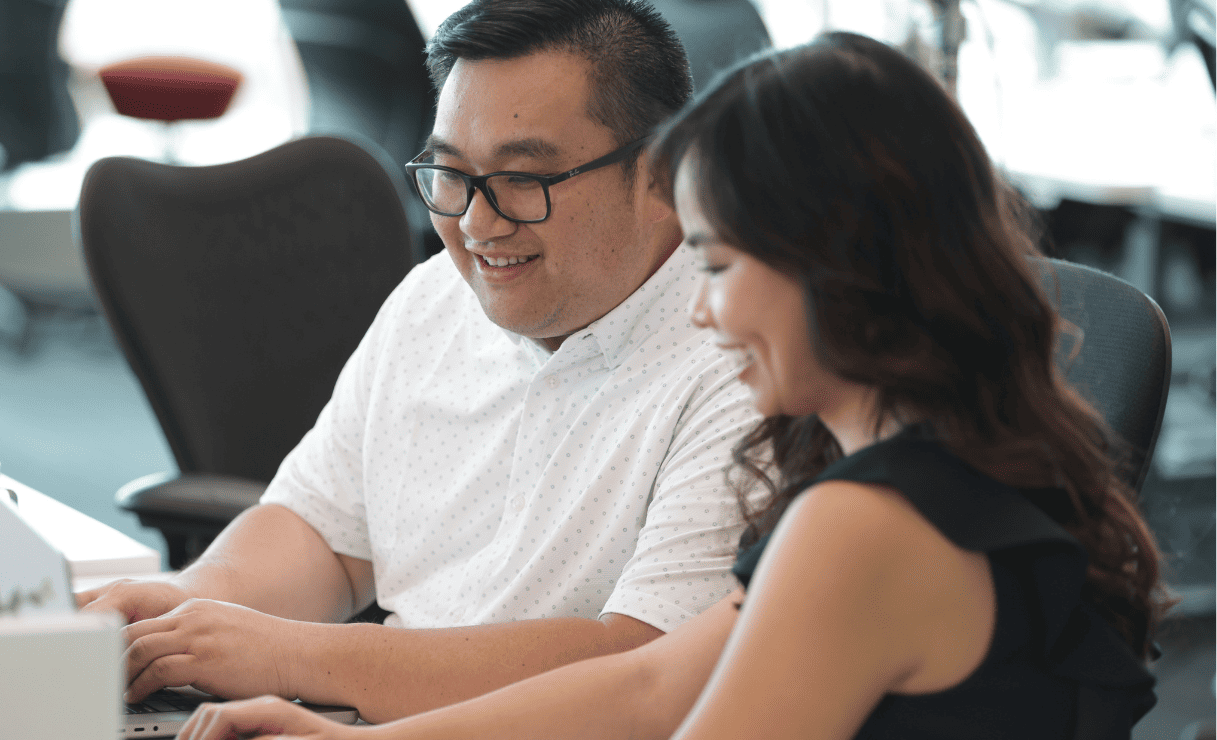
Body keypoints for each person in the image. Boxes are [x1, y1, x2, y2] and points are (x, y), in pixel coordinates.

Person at [173, 31, 1170, 740]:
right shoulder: (949, 478)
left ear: (835, 266)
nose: (701, 310)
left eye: (720, 265)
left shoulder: (862, 525)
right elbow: (649, 686)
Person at [78, 0, 761, 724]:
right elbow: (325, 533)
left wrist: (294, 657)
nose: (475, 224)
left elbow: (645, 668)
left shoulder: (748, 358)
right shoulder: (437, 297)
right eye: (450, 173)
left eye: (522, 179)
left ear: (660, 174)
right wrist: (191, 603)